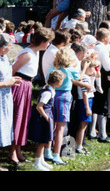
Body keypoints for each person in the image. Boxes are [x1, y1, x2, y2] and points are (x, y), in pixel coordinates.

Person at [9, 27, 54, 166]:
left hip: (27, 86)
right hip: (20, 86)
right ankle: (12, 153)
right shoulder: (27, 54)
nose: (48, 45)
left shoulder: (35, 53)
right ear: (42, 42)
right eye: (48, 42)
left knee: (23, 119)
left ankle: (18, 149)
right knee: (17, 117)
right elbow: (12, 70)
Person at [47, 46, 92, 165]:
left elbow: (48, 81)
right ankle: (56, 155)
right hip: (64, 97)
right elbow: (80, 78)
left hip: (52, 95)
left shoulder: (52, 68)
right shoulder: (70, 69)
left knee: (52, 125)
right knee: (61, 126)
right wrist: (85, 68)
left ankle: (47, 150)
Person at [27, 70, 65, 171]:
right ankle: (37, 163)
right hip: (44, 117)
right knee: (41, 141)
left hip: (47, 115)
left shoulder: (48, 88)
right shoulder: (48, 92)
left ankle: (41, 160)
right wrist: (47, 117)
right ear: (58, 82)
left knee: (45, 140)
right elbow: (39, 106)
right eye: (62, 81)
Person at [0, 34, 22, 170]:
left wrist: (12, 80)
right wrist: (7, 82)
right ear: (2, 47)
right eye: (9, 46)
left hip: (5, 97)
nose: (11, 48)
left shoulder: (4, 57)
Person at [92, 28, 110, 143]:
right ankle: (102, 134)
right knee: (102, 106)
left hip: (93, 79)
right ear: (105, 38)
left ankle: (92, 131)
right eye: (109, 37)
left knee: (95, 105)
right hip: (102, 78)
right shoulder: (102, 48)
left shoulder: (94, 46)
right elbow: (108, 66)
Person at [75, 57, 100, 154]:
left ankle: (79, 145)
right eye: (92, 68)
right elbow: (84, 94)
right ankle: (79, 146)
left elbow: (97, 75)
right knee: (83, 125)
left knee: (84, 125)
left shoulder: (88, 77)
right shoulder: (84, 78)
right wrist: (88, 108)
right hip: (85, 102)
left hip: (88, 101)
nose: (93, 70)